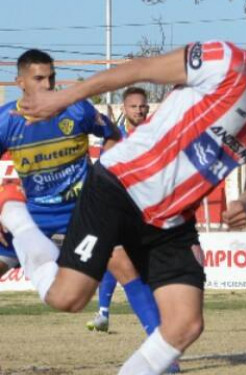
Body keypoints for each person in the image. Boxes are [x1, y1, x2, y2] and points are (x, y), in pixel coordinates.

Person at [1, 7, 246, 374]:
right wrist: (62, 98)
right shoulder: (226, 62)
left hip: (171, 219)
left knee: (185, 324)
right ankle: (16, 216)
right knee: (68, 298)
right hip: (120, 189)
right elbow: (137, 70)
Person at [0, 50, 162, 343]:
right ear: (20, 82)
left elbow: (111, 135)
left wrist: (106, 178)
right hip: (34, 213)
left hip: (84, 209)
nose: (48, 85)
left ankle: (165, 352)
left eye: (51, 77)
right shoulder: (7, 120)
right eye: (39, 79)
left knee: (125, 266)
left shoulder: (77, 110)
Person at [87, 86, 153, 333]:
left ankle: (107, 313)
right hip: (120, 209)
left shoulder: (155, 136)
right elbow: (104, 172)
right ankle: (104, 313)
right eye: (134, 106)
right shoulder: (115, 140)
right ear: (124, 109)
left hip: (148, 209)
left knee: (133, 266)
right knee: (115, 259)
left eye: (142, 106)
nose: (139, 110)